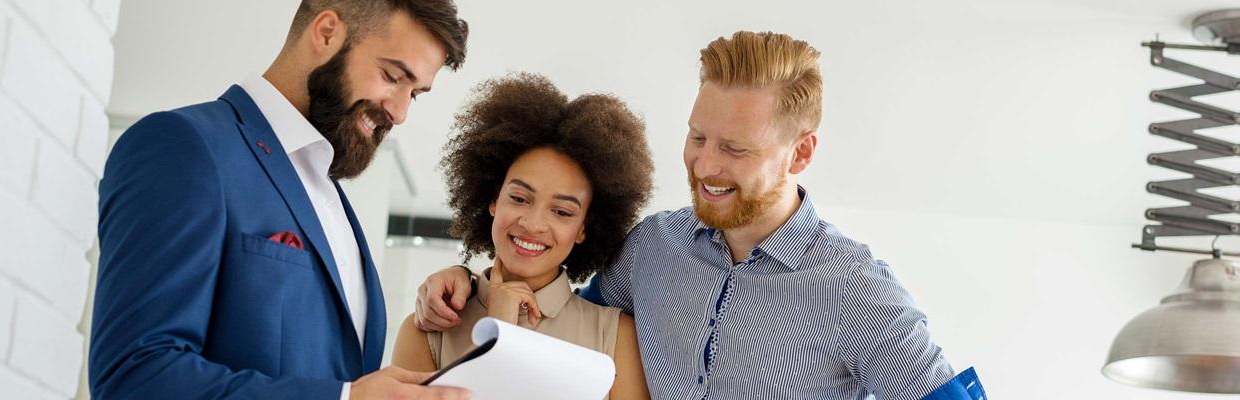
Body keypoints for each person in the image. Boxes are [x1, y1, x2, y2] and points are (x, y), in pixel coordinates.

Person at [414, 31, 985, 399]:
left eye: (735, 149)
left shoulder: (857, 291)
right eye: (696, 136)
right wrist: (467, 283)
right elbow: (558, 317)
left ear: (801, 153)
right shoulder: (650, 249)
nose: (703, 165)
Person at [90, 1, 470, 399]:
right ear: (326, 33)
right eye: (392, 76)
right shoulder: (185, 146)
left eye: (416, 93)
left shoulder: (335, 202)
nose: (400, 111)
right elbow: (134, 378)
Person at [390, 73, 654, 400]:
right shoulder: (429, 331)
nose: (532, 224)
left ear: (584, 228)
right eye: (519, 198)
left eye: (562, 211)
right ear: (492, 200)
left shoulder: (615, 336)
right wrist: (496, 335)